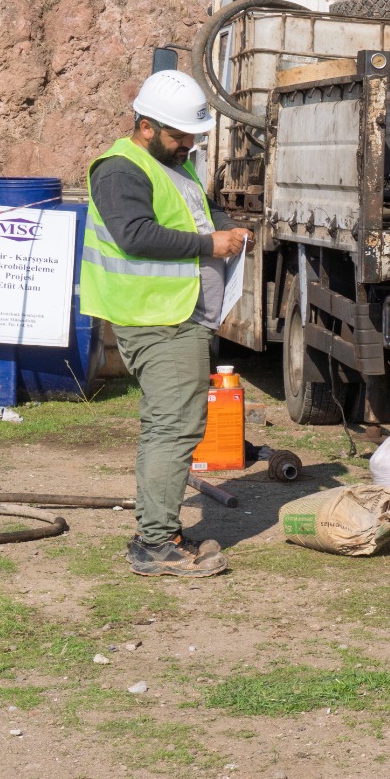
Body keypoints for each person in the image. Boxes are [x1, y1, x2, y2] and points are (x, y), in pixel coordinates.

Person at [80, 70, 245, 579]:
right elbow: (135, 235)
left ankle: (160, 532)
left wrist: (221, 230)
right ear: (146, 126)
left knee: (175, 424)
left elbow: (189, 216)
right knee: (172, 427)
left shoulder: (172, 162)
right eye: (179, 136)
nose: (188, 145)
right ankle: (155, 545)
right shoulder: (121, 170)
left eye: (193, 136)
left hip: (180, 312)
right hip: (157, 317)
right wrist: (209, 245)